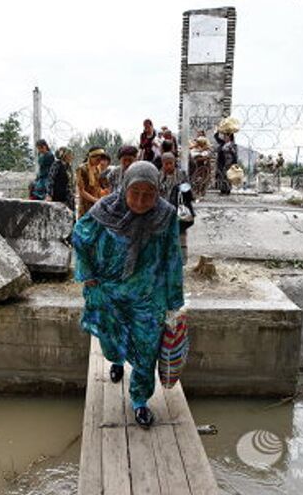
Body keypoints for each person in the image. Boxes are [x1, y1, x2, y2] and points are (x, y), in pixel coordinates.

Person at [73, 161, 184, 428]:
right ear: (125, 188)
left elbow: (172, 257)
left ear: (158, 192)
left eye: (149, 194)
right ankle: (117, 359)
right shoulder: (105, 209)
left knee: (147, 349)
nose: (141, 201)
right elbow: (80, 236)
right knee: (112, 341)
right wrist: (88, 276)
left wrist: (173, 302)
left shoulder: (166, 215)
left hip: (149, 297)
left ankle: (139, 401)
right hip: (110, 291)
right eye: (135, 193)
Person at [160, 152, 195, 262]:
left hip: (178, 211)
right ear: (162, 164)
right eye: (166, 164)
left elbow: (188, 191)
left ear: (174, 163)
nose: (168, 166)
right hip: (164, 212)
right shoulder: (159, 176)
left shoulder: (181, 175)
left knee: (181, 234)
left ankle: (182, 260)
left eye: (171, 163)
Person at [76, 146, 106, 218]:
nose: (99, 161)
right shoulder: (82, 169)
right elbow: (81, 191)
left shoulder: (97, 169)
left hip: (96, 203)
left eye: (101, 159)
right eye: (97, 159)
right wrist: (95, 200)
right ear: (91, 157)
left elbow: (100, 186)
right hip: (86, 204)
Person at [214, 130, 237, 195]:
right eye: (224, 136)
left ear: (230, 137)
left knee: (228, 176)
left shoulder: (232, 145)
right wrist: (218, 131)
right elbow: (216, 137)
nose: (225, 138)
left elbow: (235, 154)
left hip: (228, 162)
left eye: (226, 136)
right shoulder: (222, 143)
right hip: (221, 162)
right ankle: (222, 190)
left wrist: (235, 163)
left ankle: (227, 190)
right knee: (221, 176)